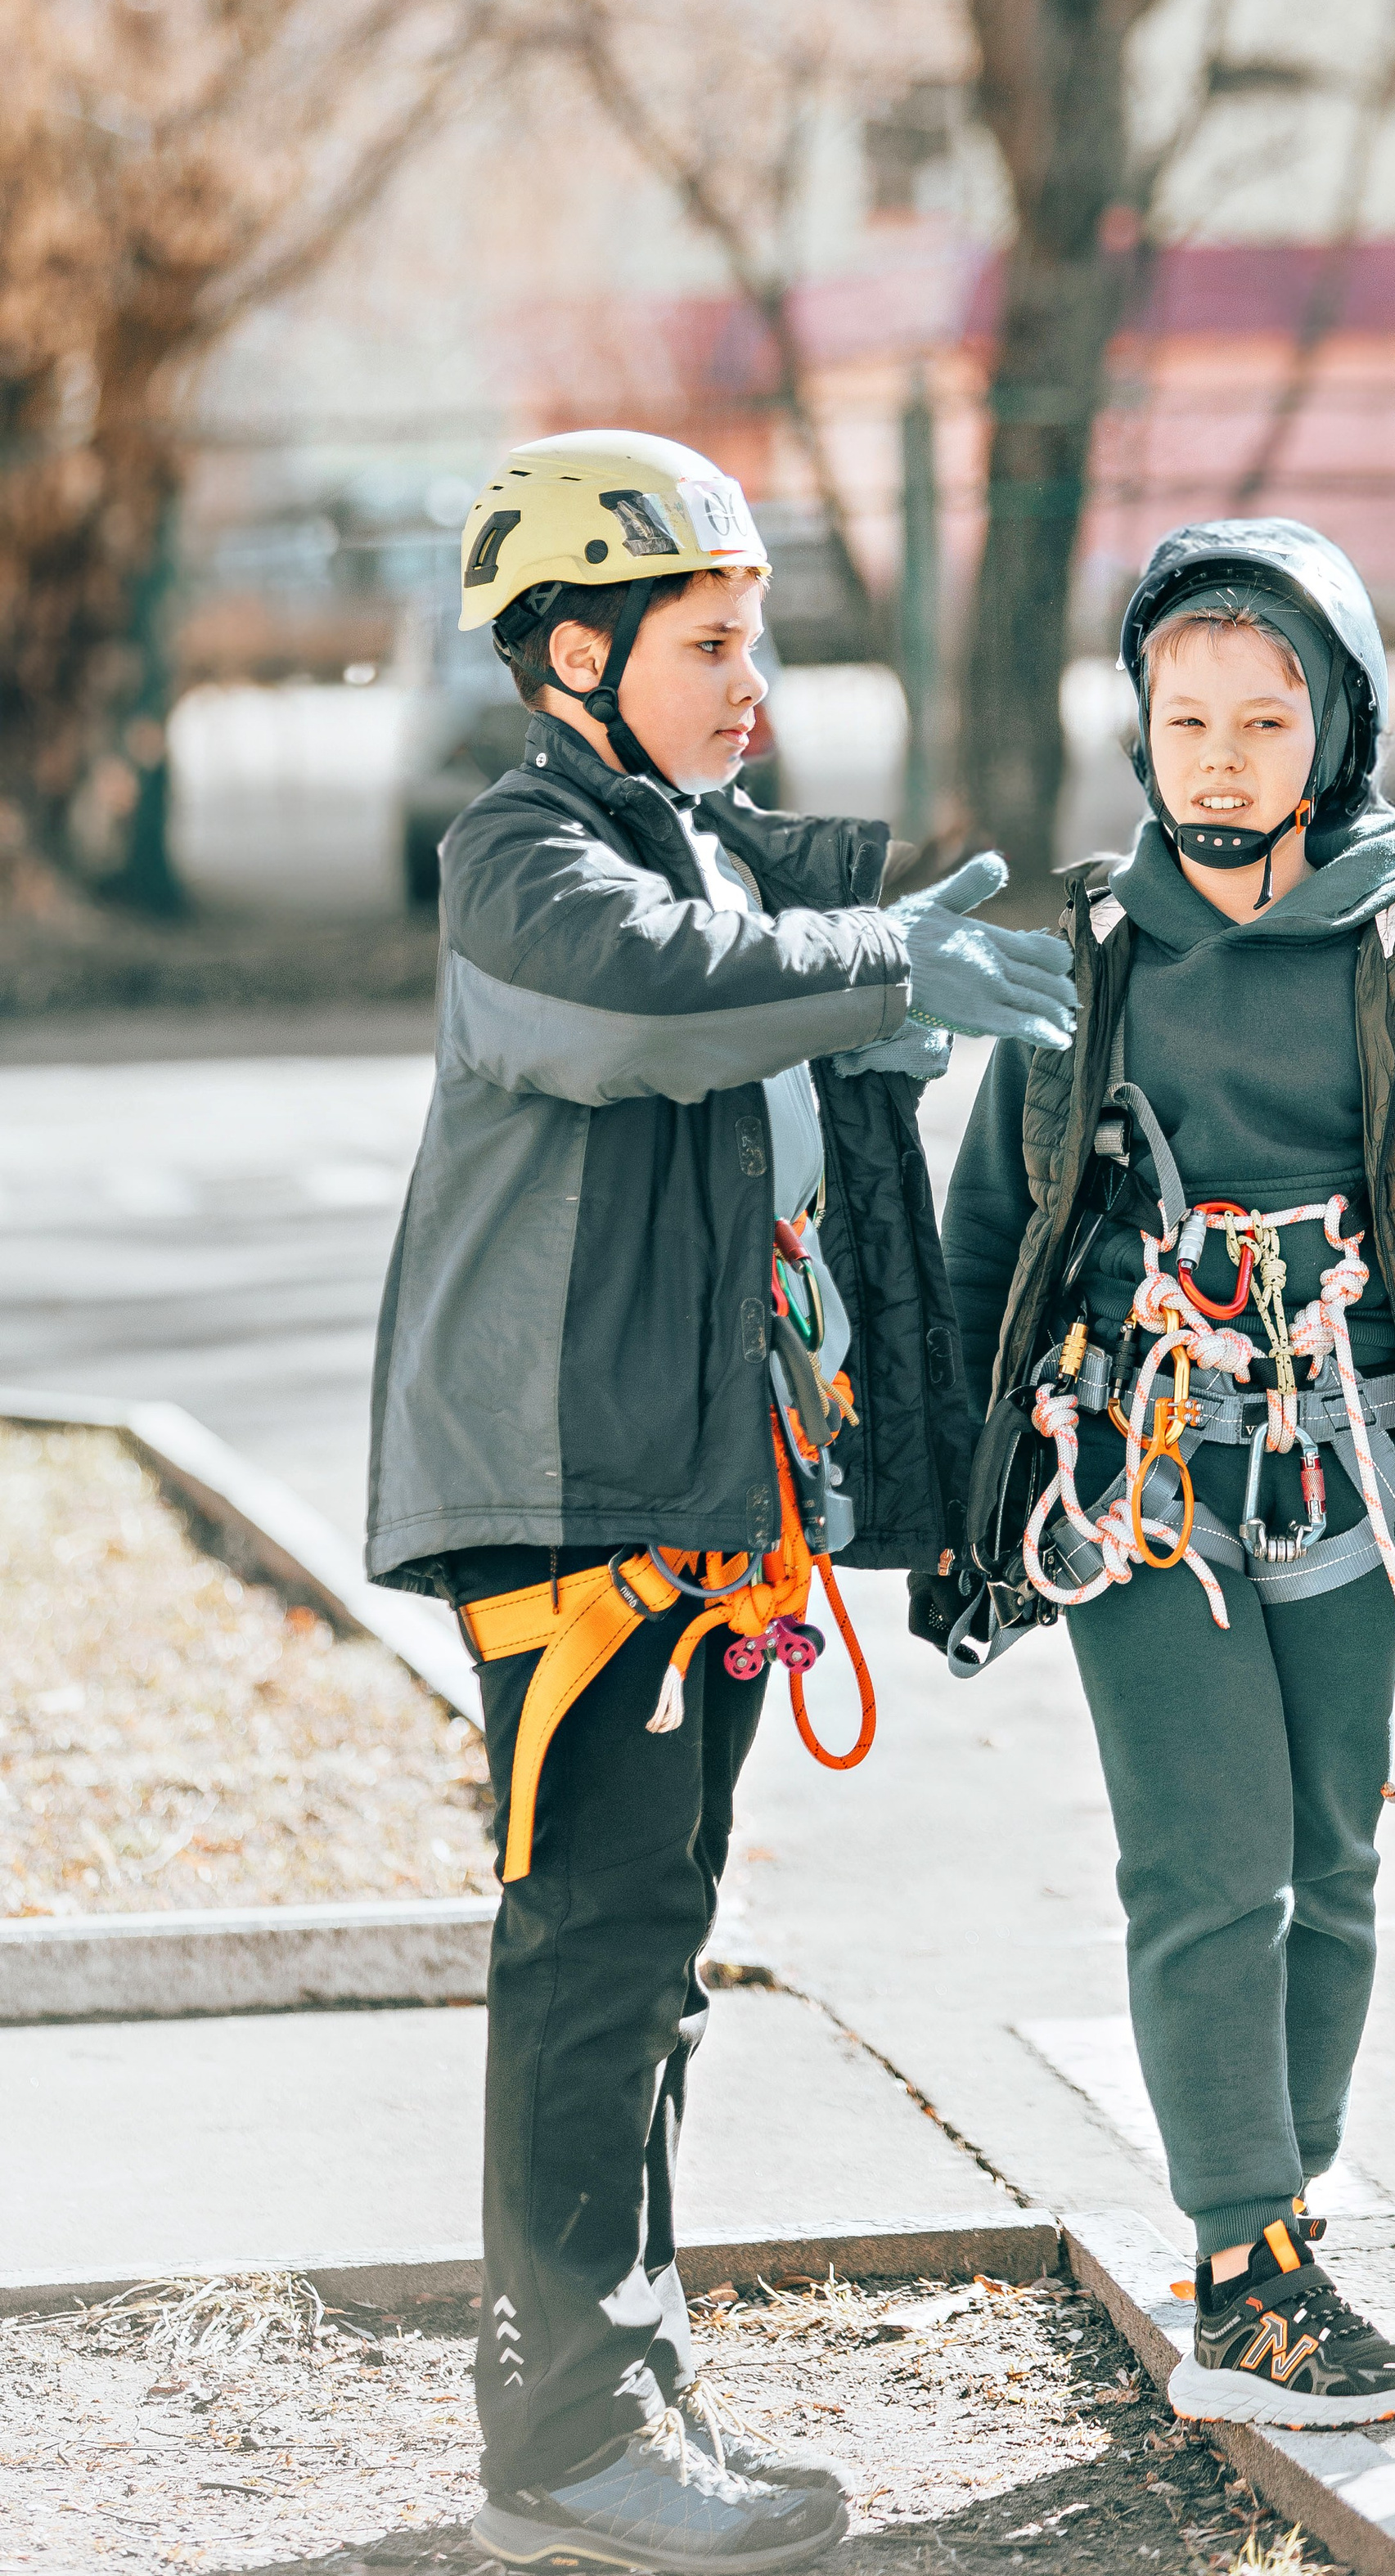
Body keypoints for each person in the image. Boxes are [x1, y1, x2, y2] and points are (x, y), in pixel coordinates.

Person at [365, 429, 1075, 2573]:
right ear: (571, 649)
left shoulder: (708, 852)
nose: (749, 677)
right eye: (707, 636)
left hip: (696, 1500)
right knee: (593, 1944)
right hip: (569, 1505)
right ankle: (566, 2438)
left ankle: (625, 2390)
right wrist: (873, 967)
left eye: (756, 635)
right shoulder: (529, 859)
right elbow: (625, 1012)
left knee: (655, 1950)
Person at [928, 517, 1395, 2430]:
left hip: (1354, 1487)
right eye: (1182, 714)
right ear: (1137, 731)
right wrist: (945, 1510)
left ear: (1338, 729)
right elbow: (994, 1238)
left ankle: (1274, 2223)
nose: (1217, 753)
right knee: (1206, 1867)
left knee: (1330, 1863)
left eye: (1263, 716)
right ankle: (1241, 2279)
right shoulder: (1093, 963)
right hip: (1132, 1481)